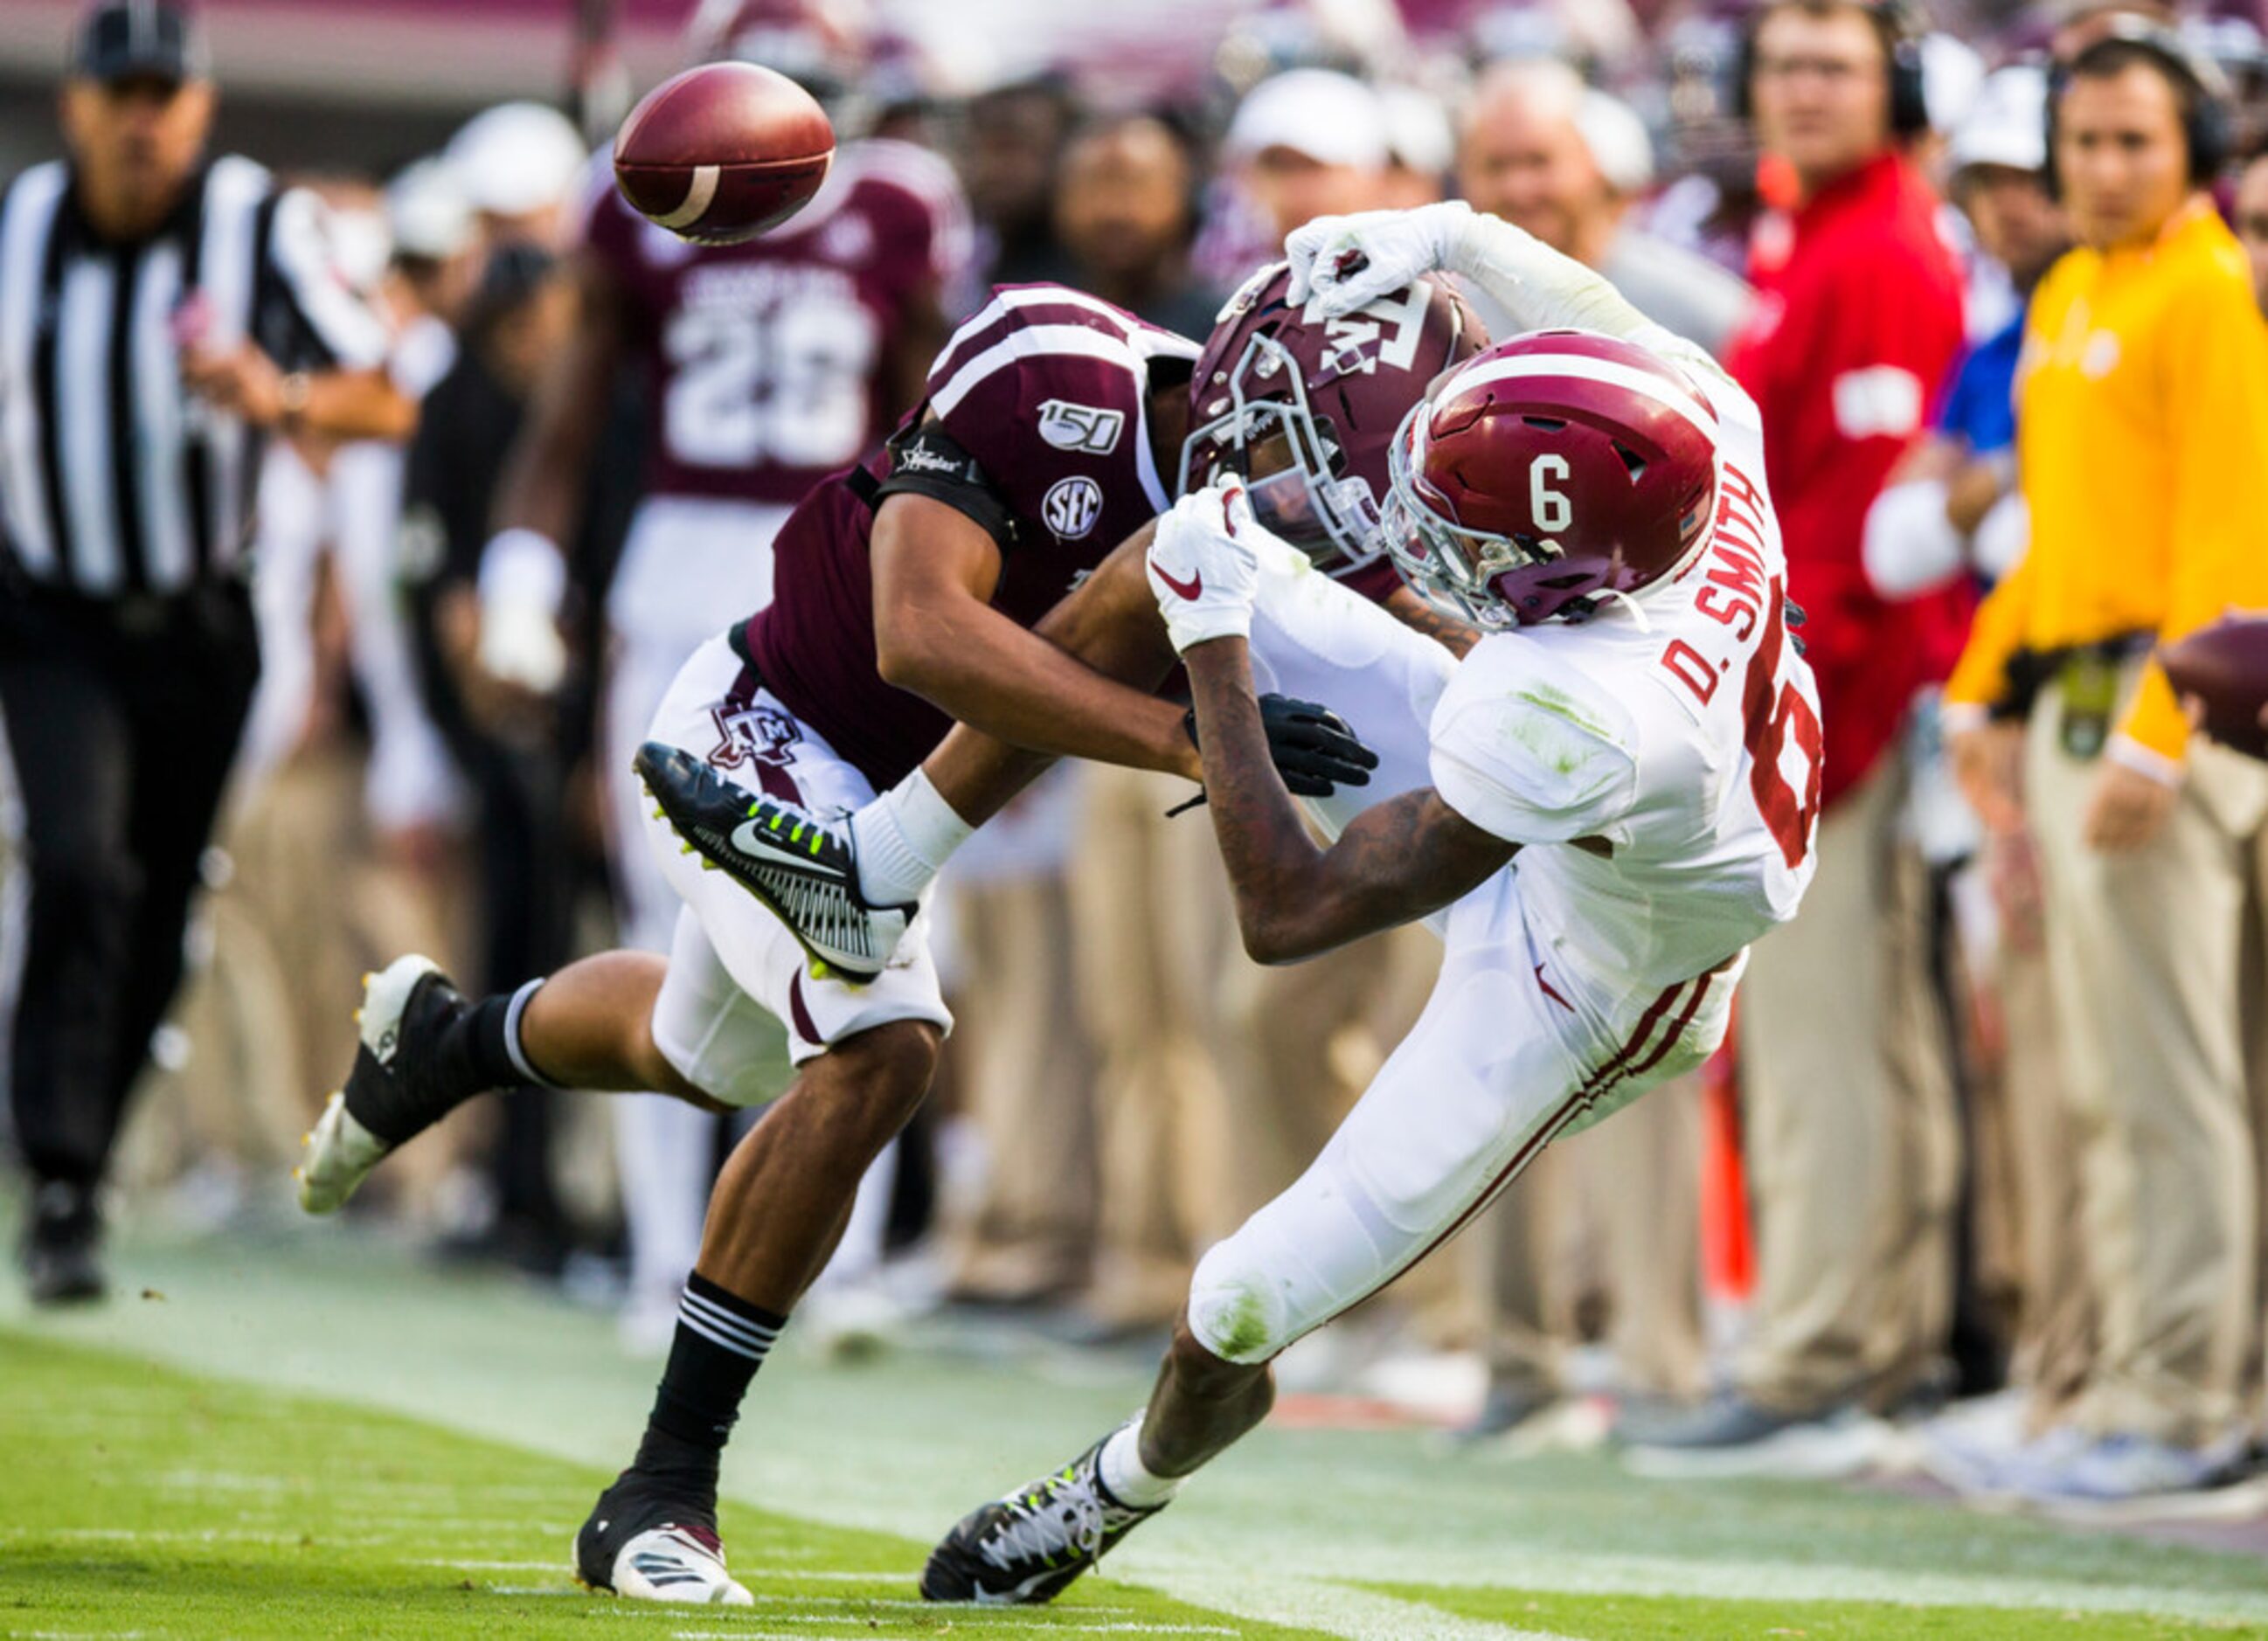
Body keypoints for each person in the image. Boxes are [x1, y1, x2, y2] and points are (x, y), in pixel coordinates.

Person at [905, 197, 1819, 1603]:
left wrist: (1211, 648)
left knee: (1238, 1300)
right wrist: (1444, 232)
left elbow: (1287, 915)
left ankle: (1114, 1487)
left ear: (1565, 576)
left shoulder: (1580, 706)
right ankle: (893, 841)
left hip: (1596, 980)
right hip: (1584, 816)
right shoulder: (1700, 428)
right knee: (1193, 535)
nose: (1421, 542)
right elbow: (1586, 315)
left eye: (1467, 536)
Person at [472, 0, 971, 1341]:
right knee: (664, 904)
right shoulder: (632, 195)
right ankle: (659, 1260)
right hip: (682, 563)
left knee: (864, 897)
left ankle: (842, 1262)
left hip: (840, 566)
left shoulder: (899, 206)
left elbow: (940, 426)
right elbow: (567, 420)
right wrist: (521, 579)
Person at [0, 0, 406, 1305]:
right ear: (74, 106)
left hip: (199, 620)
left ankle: (82, 1164)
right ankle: (58, 1167)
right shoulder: (15, 231)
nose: (141, 119)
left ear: (201, 105)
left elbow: (384, 393)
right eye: (118, 92)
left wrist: (276, 394)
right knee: (76, 866)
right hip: (52, 611)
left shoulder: (257, 226)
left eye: (163, 93)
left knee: (159, 895)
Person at [1627, 0, 1968, 1470]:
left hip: (1839, 705)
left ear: (1893, 84)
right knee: (1847, 1040)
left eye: (1835, 64)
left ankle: (1822, 1349)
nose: (1805, 90)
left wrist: (1803, 712)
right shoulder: (1814, 239)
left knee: (1831, 1041)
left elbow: (1866, 532)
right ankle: (1865, 1339)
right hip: (1816, 694)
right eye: (1785, 65)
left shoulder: (1878, 254)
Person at [1943, 24, 2268, 1501]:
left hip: (2163, 706)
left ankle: (2187, 1392)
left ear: (2195, 153)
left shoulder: (2209, 292)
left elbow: (2234, 527)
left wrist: (2162, 723)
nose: (2106, 167)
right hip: (2076, 698)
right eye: (2086, 141)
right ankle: (2142, 1377)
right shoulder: (2074, 288)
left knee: (2168, 1077)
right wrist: (1978, 689)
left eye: (2138, 141)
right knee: (2111, 1079)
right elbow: (2063, 541)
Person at [1456, 58, 1753, 358]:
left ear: (1591, 164)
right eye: (1495, 167)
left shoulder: (1703, 309)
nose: (1518, 189)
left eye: (1538, 161)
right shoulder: (1443, 324)